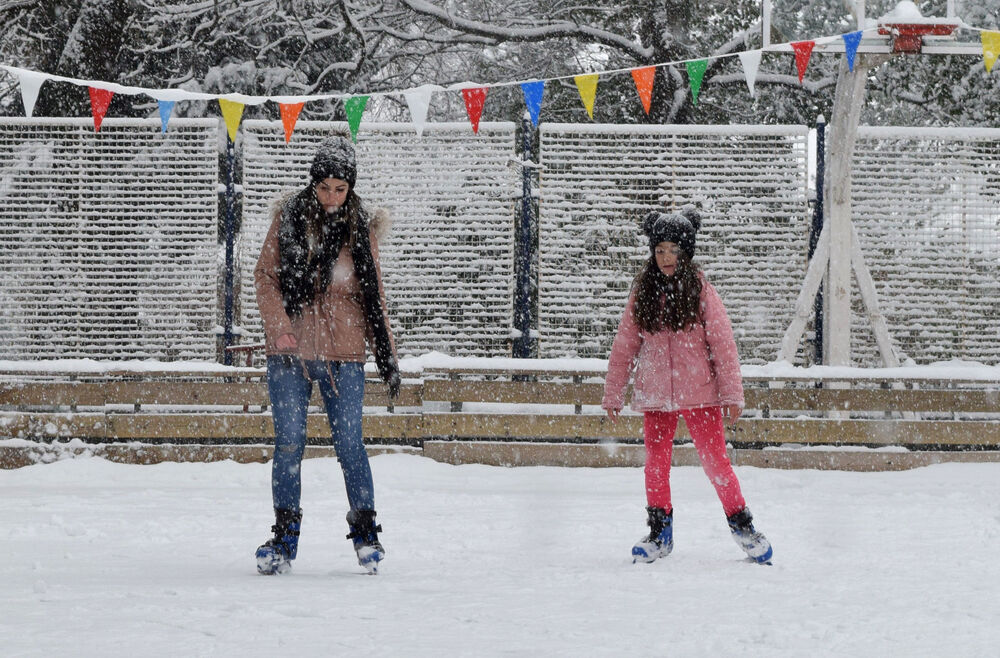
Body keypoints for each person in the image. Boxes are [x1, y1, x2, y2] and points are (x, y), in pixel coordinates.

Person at [253, 133, 401, 575]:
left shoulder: (361, 227)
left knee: (351, 445)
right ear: (312, 184)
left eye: (341, 188)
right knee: (289, 444)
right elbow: (265, 277)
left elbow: (374, 296)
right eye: (324, 187)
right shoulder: (288, 219)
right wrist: (280, 330)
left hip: (346, 353)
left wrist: (386, 357)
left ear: (350, 187)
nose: (332, 197)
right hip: (290, 354)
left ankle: (367, 536)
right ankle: (284, 539)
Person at [602, 206, 772, 565]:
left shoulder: (701, 291)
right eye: (659, 249)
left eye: (673, 250)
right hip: (655, 395)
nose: (666, 257)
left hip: (700, 393)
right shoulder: (642, 292)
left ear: (687, 252)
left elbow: (723, 345)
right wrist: (614, 391)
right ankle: (659, 533)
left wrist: (731, 394)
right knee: (655, 465)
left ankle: (743, 527)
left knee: (716, 464)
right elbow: (625, 345)